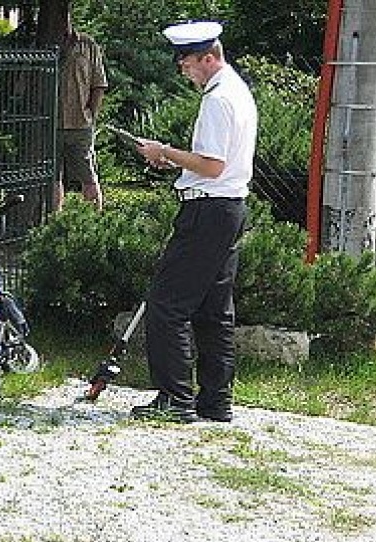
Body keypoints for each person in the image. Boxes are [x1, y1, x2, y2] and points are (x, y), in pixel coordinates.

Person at [130, 21, 258, 423]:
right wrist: (172, 157)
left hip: (207, 209)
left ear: (208, 57)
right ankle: (215, 401)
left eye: (186, 62)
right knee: (214, 310)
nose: (182, 70)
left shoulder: (218, 100)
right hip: (227, 208)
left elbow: (212, 165)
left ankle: (175, 399)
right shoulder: (235, 90)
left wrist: (164, 150)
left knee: (166, 304)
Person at [55, 16, 108, 211]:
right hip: (51, 124)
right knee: (53, 177)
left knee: (88, 176)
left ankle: (94, 221)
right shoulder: (43, 44)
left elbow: (99, 84)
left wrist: (91, 115)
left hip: (80, 125)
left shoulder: (88, 45)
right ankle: (55, 223)